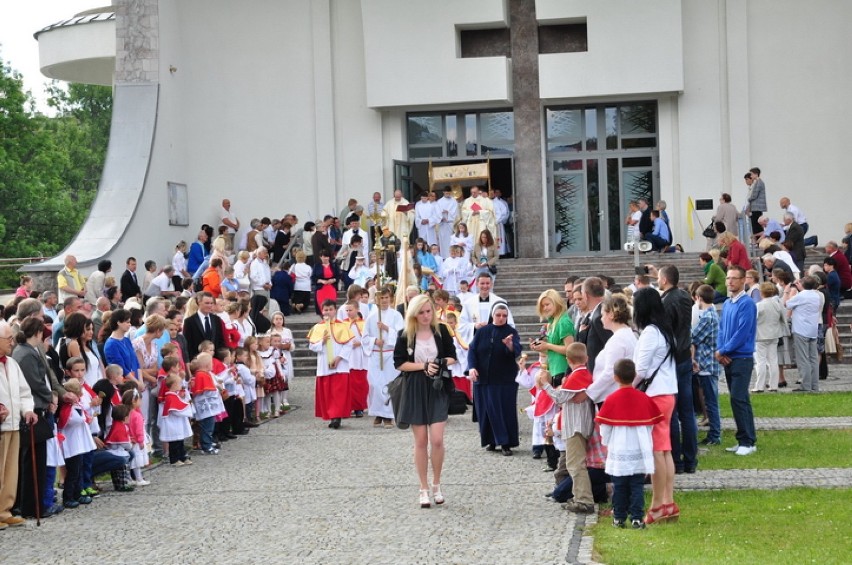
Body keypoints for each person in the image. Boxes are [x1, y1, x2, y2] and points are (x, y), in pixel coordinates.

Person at [392, 294, 457, 508]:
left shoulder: (442, 331)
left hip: (437, 386)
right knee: (421, 441)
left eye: (428, 311)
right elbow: (399, 363)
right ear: (414, 314)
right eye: (421, 312)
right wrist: (423, 365)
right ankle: (423, 487)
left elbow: (452, 356)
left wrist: (437, 363)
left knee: (437, 439)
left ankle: (437, 483)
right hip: (415, 388)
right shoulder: (405, 335)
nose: (426, 315)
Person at [596, 359, 663, 529]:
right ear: (634, 376)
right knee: (637, 486)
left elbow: (605, 427)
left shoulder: (611, 399)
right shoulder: (643, 398)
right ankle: (637, 518)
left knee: (619, 486)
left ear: (615, 377)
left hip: (619, 448)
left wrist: (607, 441)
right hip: (639, 448)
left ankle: (618, 518)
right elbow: (651, 424)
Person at [631, 288, 679, 524]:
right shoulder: (664, 330)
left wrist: (627, 388)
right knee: (665, 449)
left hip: (655, 395)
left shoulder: (650, 332)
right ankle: (668, 502)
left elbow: (640, 370)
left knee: (656, 451)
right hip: (667, 392)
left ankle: (657, 505)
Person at [537, 343, 595, 515]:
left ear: (568, 360)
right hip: (581, 423)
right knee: (575, 464)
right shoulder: (585, 374)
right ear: (587, 359)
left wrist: (546, 385)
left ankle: (584, 501)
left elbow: (560, 398)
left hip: (575, 425)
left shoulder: (577, 376)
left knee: (575, 465)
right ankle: (579, 497)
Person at [468, 303, 522, 456]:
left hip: (504, 379)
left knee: (503, 411)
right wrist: (472, 367)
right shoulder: (483, 331)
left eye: (504, 316)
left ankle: (505, 442)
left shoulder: (511, 332)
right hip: (484, 378)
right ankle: (491, 440)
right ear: (493, 315)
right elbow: (472, 350)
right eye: (498, 315)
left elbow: (516, 351)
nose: (501, 318)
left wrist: (510, 345)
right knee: (486, 410)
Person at [715, 265, 758, 456]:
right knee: (739, 399)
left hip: (742, 357)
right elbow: (722, 329)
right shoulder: (727, 303)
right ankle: (745, 438)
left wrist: (724, 349)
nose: (730, 281)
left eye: (734, 278)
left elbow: (743, 332)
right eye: (728, 278)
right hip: (729, 356)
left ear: (743, 280)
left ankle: (747, 442)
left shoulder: (746, 303)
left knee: (738, 398)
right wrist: (720, 350)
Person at [0, 320, 37, 529]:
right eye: (8, 339)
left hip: (14, 424)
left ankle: (5, 510)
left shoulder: (12, 363)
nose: (12, 343)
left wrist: (28, 410)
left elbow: (24, 392)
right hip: (1, 426)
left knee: (10, 471)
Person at [307, 300, 354, 429]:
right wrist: (321, 342)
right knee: (328, 392)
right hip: (324, 365)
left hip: (340, 365)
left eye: (330, 309)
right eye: (325, 309)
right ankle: (332, 415)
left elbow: (348, 344)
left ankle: (337, 416)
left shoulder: (343, 326)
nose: (328, 312)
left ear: (335, 310)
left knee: (338, 392)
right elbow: (312, 345)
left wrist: (339, 358)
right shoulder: (318, 327)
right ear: (322, 311)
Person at [366, 286, 405, 428]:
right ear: (377, 299)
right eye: (381, 298)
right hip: (376, 354)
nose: (384, 301)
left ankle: (388, 416)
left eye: (386, 298)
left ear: (391, 299)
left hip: (389, 354)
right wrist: (375, 341)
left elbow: (401, 334)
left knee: (389, 385)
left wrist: (387, 329)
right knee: (375, 384)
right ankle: (378, 412)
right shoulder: (371, 316)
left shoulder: (396, 315)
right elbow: (365, 337)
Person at [691, 285, 721, 445]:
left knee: (711, 402)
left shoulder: (708, 317)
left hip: (707, 363)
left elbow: (694, 336)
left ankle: (715, 435)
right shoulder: (712, 314)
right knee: (710, 401)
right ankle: (714, 433)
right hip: (708, 362)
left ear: (698, 298)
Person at [529, 289, 574, 386]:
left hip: (563, 370)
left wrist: (547, 345)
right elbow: (554, 350)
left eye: (547, 304)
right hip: (554, 369)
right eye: (542, 306)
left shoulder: (563, 322)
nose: (545, 308)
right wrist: (541, 348)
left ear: (556, 303)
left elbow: (570, 349)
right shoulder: (553, 322)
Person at [784, 276, 821, 392]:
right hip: (812, 329)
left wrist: (788, 291)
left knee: (803, 359)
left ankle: (806, 385)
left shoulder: (801, 296)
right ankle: (814, 385)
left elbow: (787, 304)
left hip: (801, 329)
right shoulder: (816, 295)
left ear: (802, 285)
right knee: (813, 359)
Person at [754, 282, 789, 392]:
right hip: (774, 334)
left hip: (760, 335)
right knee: (773, 360)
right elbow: (784, 318)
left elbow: (752, 320)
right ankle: (774, 385)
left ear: (761, 293)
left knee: (761, 361)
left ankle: (759, 386)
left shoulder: (759, 305)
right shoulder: (778, 304)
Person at [575, 277, 612, 373]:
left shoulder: (599, 317)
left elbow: (610, 346)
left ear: (586, 295)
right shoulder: (596, 314)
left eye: (582, 294)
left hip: (600, 373)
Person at [160, 373, 194, 466]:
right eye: (179, 383)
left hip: (177, 422)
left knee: (180, 441)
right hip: (173, 423)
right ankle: (174, 460)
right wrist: (187, 408)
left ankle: (182, 456)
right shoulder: (170, 397)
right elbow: (175, 410)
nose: (181, 385)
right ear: (174, 385)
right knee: (174, 442)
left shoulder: (175, 395)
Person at [312, 251, 340, 316]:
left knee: (331, 306)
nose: (326, 258)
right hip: (321, 289)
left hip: (331, 288)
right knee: (321, 307)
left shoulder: (334, 265)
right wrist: (321, 281)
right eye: (324, 257)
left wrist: (333, 280)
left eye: (327, 256)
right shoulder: (317, 266)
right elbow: (313, 278)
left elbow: (338, 276)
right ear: (320, 257)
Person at [435, 186, 460, 257]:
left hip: (451, 224)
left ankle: (453, 256)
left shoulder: (454, 201)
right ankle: (444, 257)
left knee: (451, 241)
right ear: (443, 192)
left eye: (449, 193)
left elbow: (456, 213)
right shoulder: (439, 202)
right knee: (443, 242)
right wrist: (441, 218)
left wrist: (448, 212)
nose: (447, 194)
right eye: (446, 193)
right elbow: (437, 212)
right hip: (442, 224)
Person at [745, 167, 767, 236]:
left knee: (756, 226)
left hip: (757, 207)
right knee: (755, 226)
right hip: (755, 207)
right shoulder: (757, 182)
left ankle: (758, 241)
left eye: (751, 174)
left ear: (756, 174)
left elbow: (754, 195)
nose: (751, 176)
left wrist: (749, 199)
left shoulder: (759, 182)